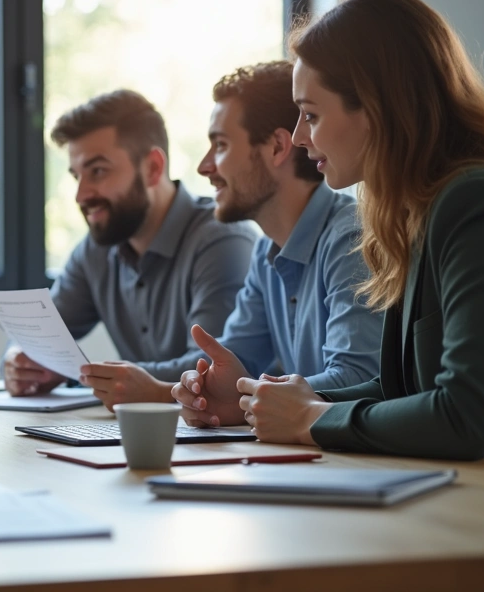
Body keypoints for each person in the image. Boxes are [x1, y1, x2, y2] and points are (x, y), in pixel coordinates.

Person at [182, 0, 484, 472]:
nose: (300, 136)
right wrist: (257, 403)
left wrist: (312, 418)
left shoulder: (483, 201)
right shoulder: (418, 209)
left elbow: (467, 414)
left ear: (374, 109)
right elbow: (403, 388)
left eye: (311, 114)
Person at [79, 61, 383, 412]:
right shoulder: (266, 251)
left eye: (220, 145)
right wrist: (194, 389)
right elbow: (232, 363)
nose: (204, 166)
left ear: (276, 148)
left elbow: (356, 380)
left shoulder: (352, 238)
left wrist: (172, 393)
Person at [3, 89, 257, 398]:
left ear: (152, 168)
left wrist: (100, 377)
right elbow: (37, 338)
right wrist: (20, 360)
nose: (81, 195)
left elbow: (211, 368)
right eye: (76, 176)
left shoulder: (222, 239)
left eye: (98, 171)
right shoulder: (95, 250)